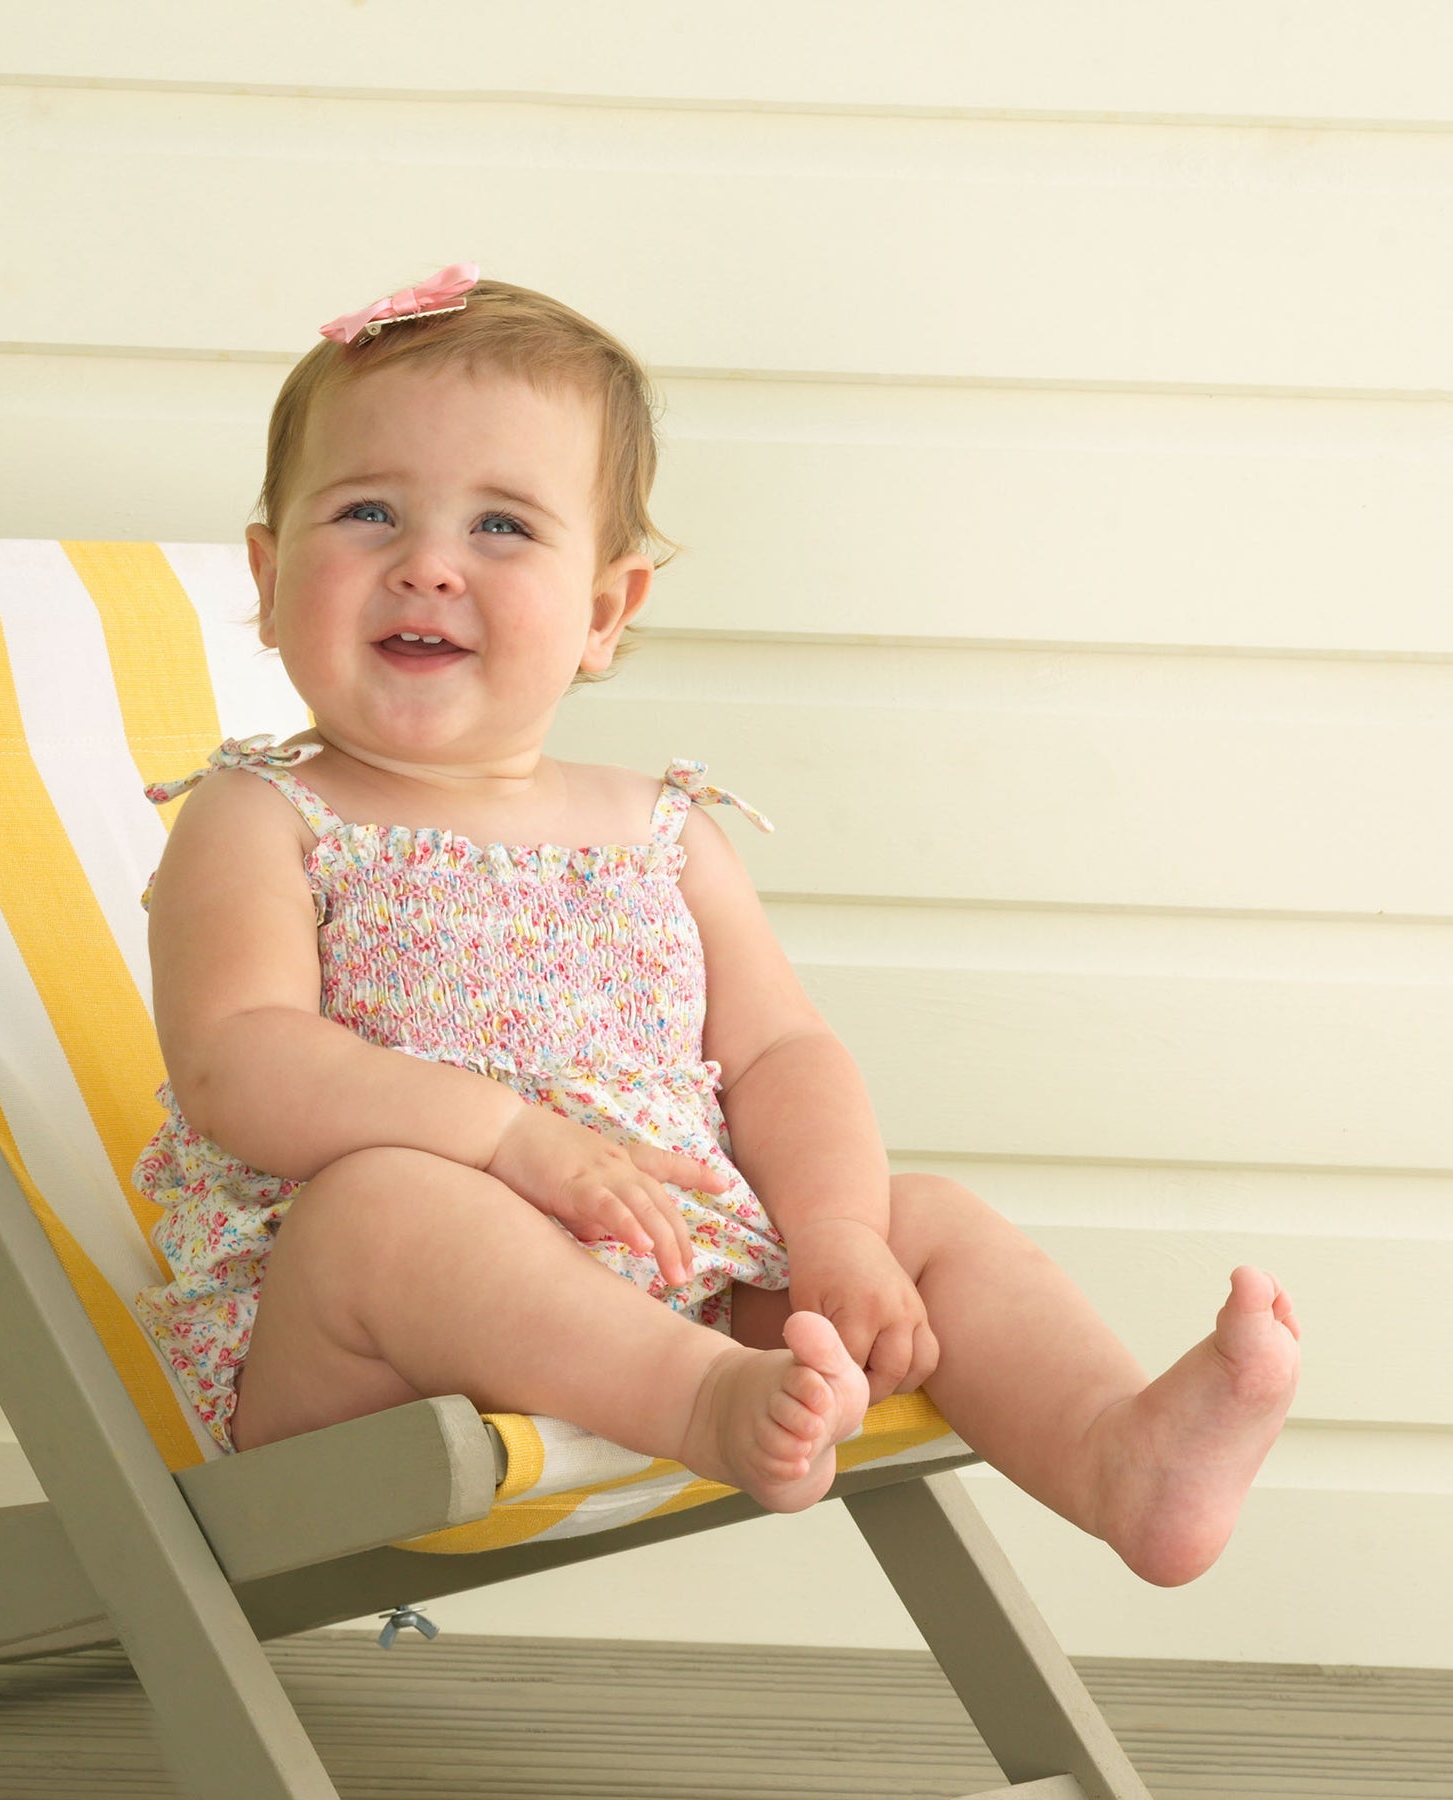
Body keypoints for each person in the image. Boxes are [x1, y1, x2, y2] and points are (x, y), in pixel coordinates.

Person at [132, 266, 1301, 1585]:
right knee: (391, 1205)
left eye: (503, 527)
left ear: (604, 611)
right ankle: (702, 1404)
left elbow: (780, 1057)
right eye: (368, 512)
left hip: (680, 1274)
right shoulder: (263, 814)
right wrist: (511, 1141)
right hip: (360, 1347)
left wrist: (843, 1238)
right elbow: (241, 1062)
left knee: (922, 1214)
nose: (428, 565)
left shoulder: (661, 830)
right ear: (271, 574)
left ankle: (1116, 1457)